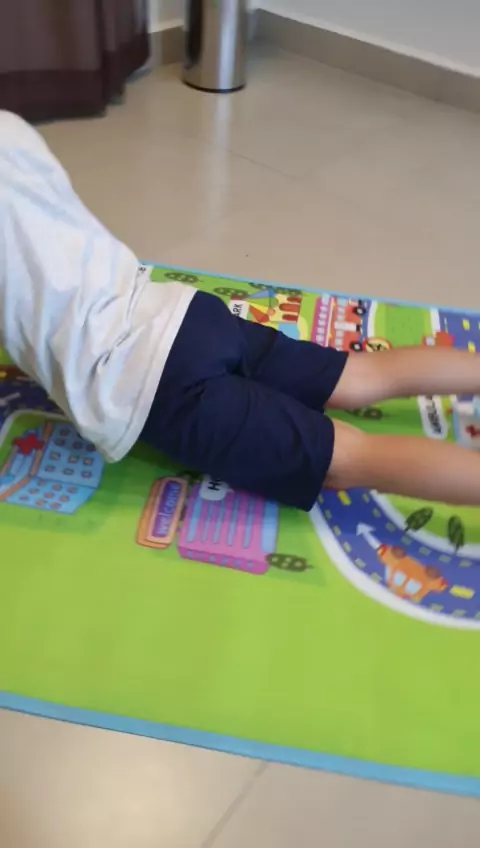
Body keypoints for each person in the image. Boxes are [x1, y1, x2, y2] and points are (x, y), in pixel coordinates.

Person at [1, 110, 480, 512]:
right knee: (361, 375)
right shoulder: (11, 128)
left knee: (351, 458)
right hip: (178, 313)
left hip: (143, 380)